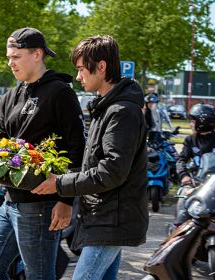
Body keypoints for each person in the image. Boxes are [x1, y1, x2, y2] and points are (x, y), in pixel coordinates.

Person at [31, 35, 148, 280]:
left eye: (81, 69)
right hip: (102, 216)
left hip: (110, 220)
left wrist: (60, 183)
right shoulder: (105, 107)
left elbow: (111, 171)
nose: (78, 76)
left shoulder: (121, 111)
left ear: (102, 67)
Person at [0, 27, 86, 280]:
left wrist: (66, 200)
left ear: (37, 54)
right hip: (9, 202)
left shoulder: (61, 92)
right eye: (8, 57)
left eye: (16, 57)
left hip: (41, 205)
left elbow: (77, 147)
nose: (10, 63)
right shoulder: (9, 97)